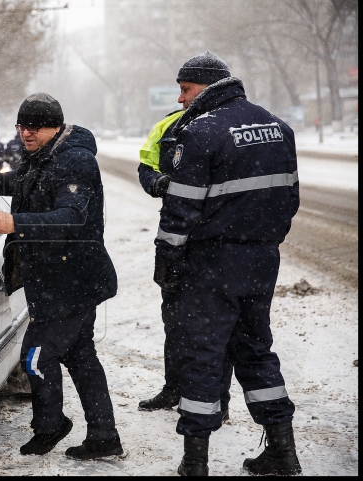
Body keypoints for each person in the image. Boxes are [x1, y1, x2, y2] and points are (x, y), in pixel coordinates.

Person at [154, 51, 302, 476]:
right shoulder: (278, 127)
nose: (181, 100)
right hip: (261, 259)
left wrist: (166, 261)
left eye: (185, 90)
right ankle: (283, 452)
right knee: (256, 350)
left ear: (205, 86)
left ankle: (194, 462)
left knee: (202, 354)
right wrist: (260, 241)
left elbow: (179, 211)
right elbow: (290, 199)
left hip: (212, 262)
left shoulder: (201, 132)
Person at [0, 93, 122, 460]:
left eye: (33, 127)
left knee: (36, 356)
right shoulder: (44, 156)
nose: (25, 133)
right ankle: (104, 436)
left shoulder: (76, 161)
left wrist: (14, 223)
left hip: (71, 279)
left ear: (55, 126)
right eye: (21, 126)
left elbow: (71, 217)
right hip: (59, 278)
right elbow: (25, 181)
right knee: (82, 356)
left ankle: (51, 426)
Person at [137, 106, 233, 419]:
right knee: (175, 318)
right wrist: (157, 182)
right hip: (177, 235)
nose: (181, 96)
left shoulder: (229, 125)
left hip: (218, 241)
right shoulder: (166, 125)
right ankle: (173, 389)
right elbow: (145, 165)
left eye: (187, 88)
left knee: (216, 325)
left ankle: (219, 399)